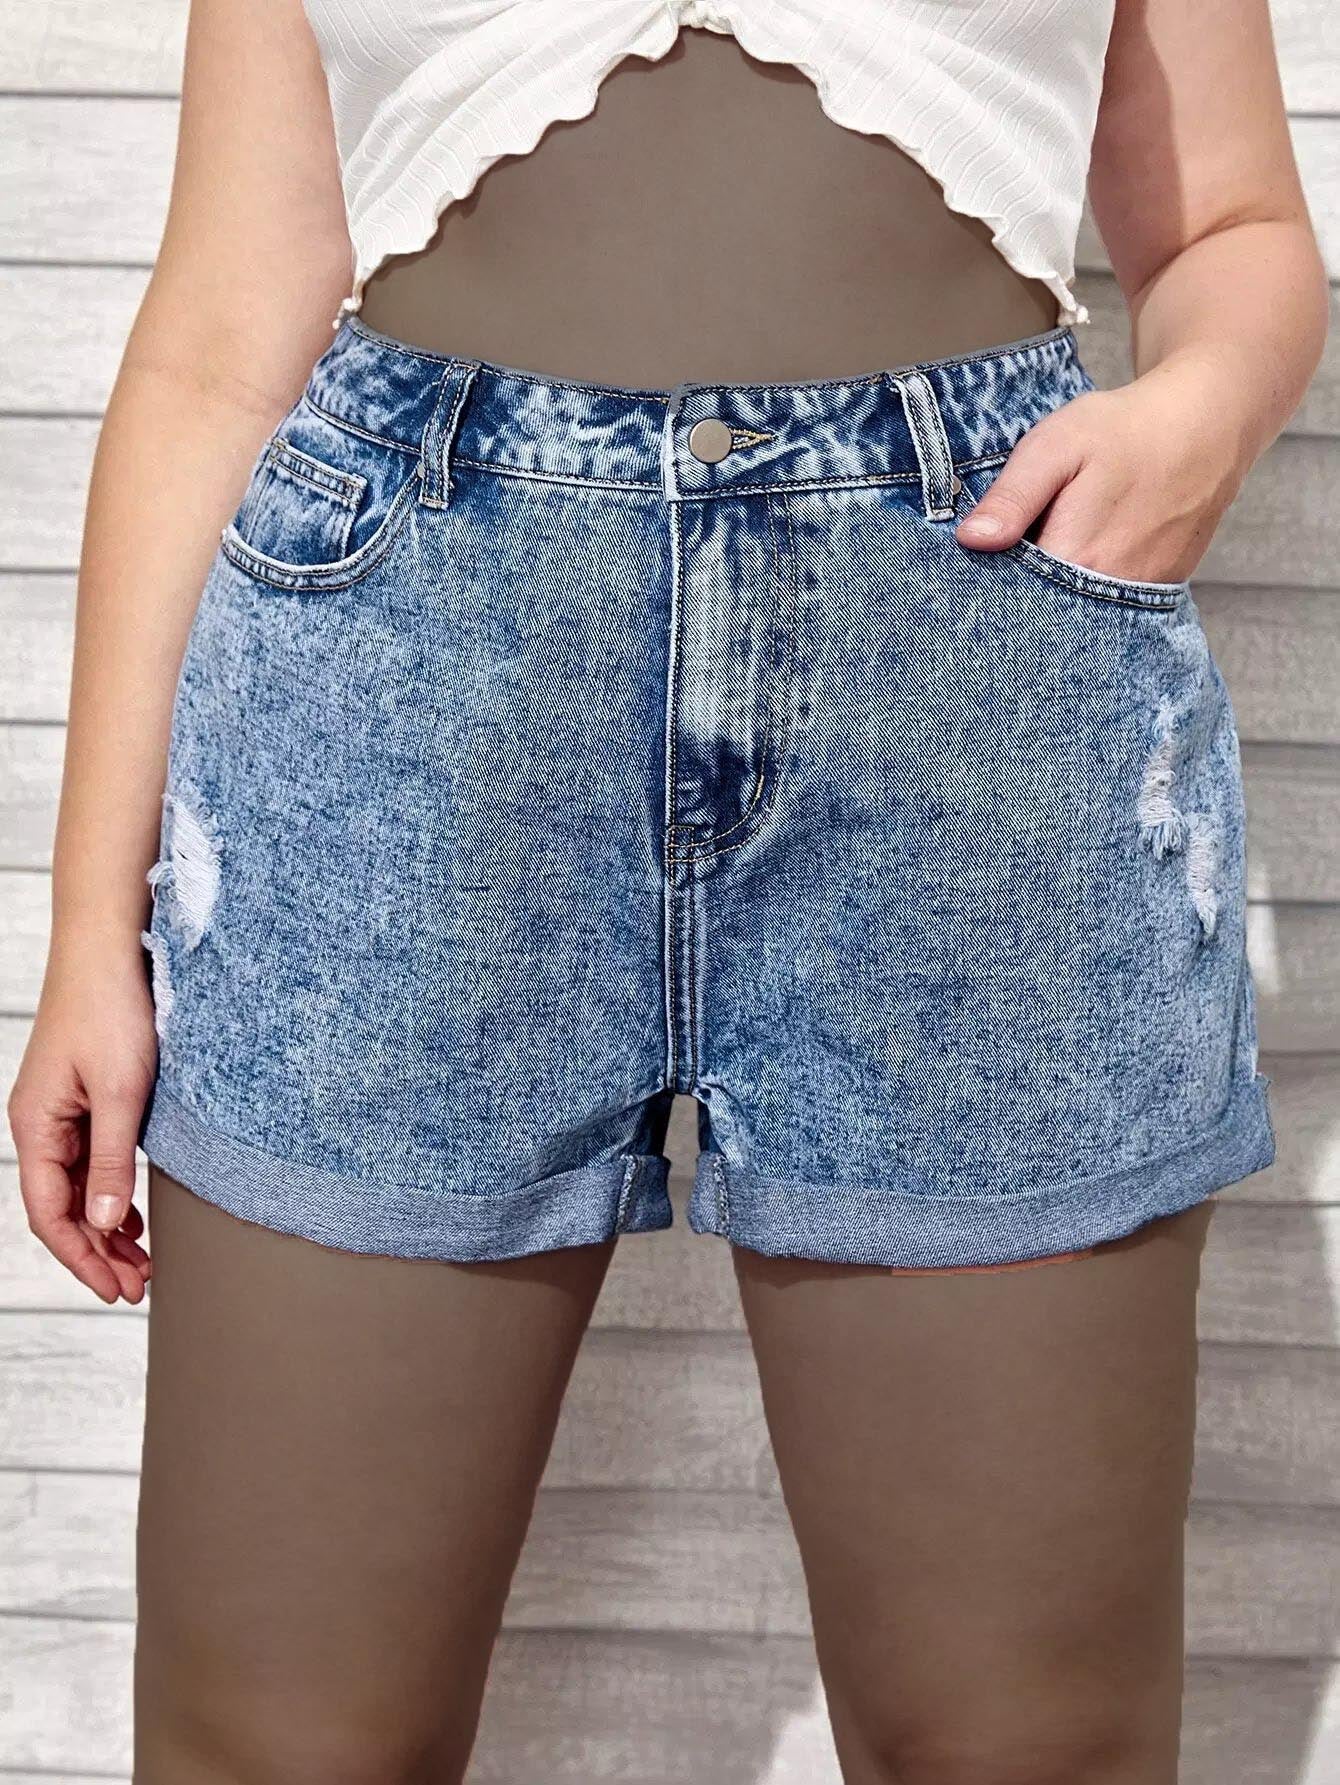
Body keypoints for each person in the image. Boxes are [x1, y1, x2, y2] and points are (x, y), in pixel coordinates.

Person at [8, 2, 1328, 1780]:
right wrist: (91, 921)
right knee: (278, 1739)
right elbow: (221, 336)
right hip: (407, 703)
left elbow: (1231, 228)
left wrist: (1199, 418)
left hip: (976, 667)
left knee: (1028, 1740)